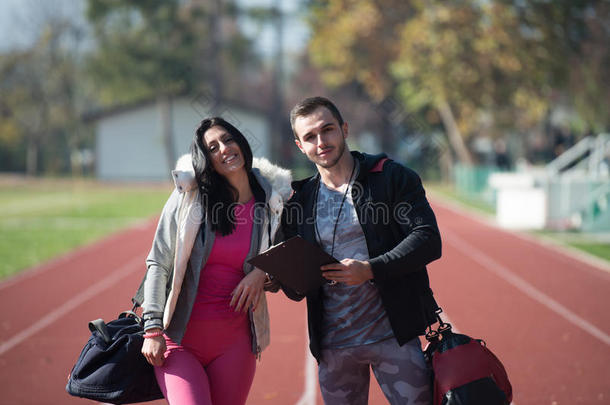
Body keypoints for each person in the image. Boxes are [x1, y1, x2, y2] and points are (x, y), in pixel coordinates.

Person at [278, 97, 442, 404]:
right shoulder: (298, 202)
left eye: (327, 130)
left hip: (394, 336)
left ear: (344, 129)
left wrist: (370, 270)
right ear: (300, 146)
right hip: (334, 347)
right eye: (310, 137)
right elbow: (297, 290)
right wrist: (278, 277)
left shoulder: (391, 177)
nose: (321, 141)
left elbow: (428, 239)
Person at [140, 117, 292, 405]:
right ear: (207, 159)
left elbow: (282, 262)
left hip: (236, 345)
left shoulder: (271, 201)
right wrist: (152, 329)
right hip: (179, 340)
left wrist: (261, 272)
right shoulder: (190, 197)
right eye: (213, 147)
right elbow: (158, 262)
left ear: (241, 142)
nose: (224, 149)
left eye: (228, 139)